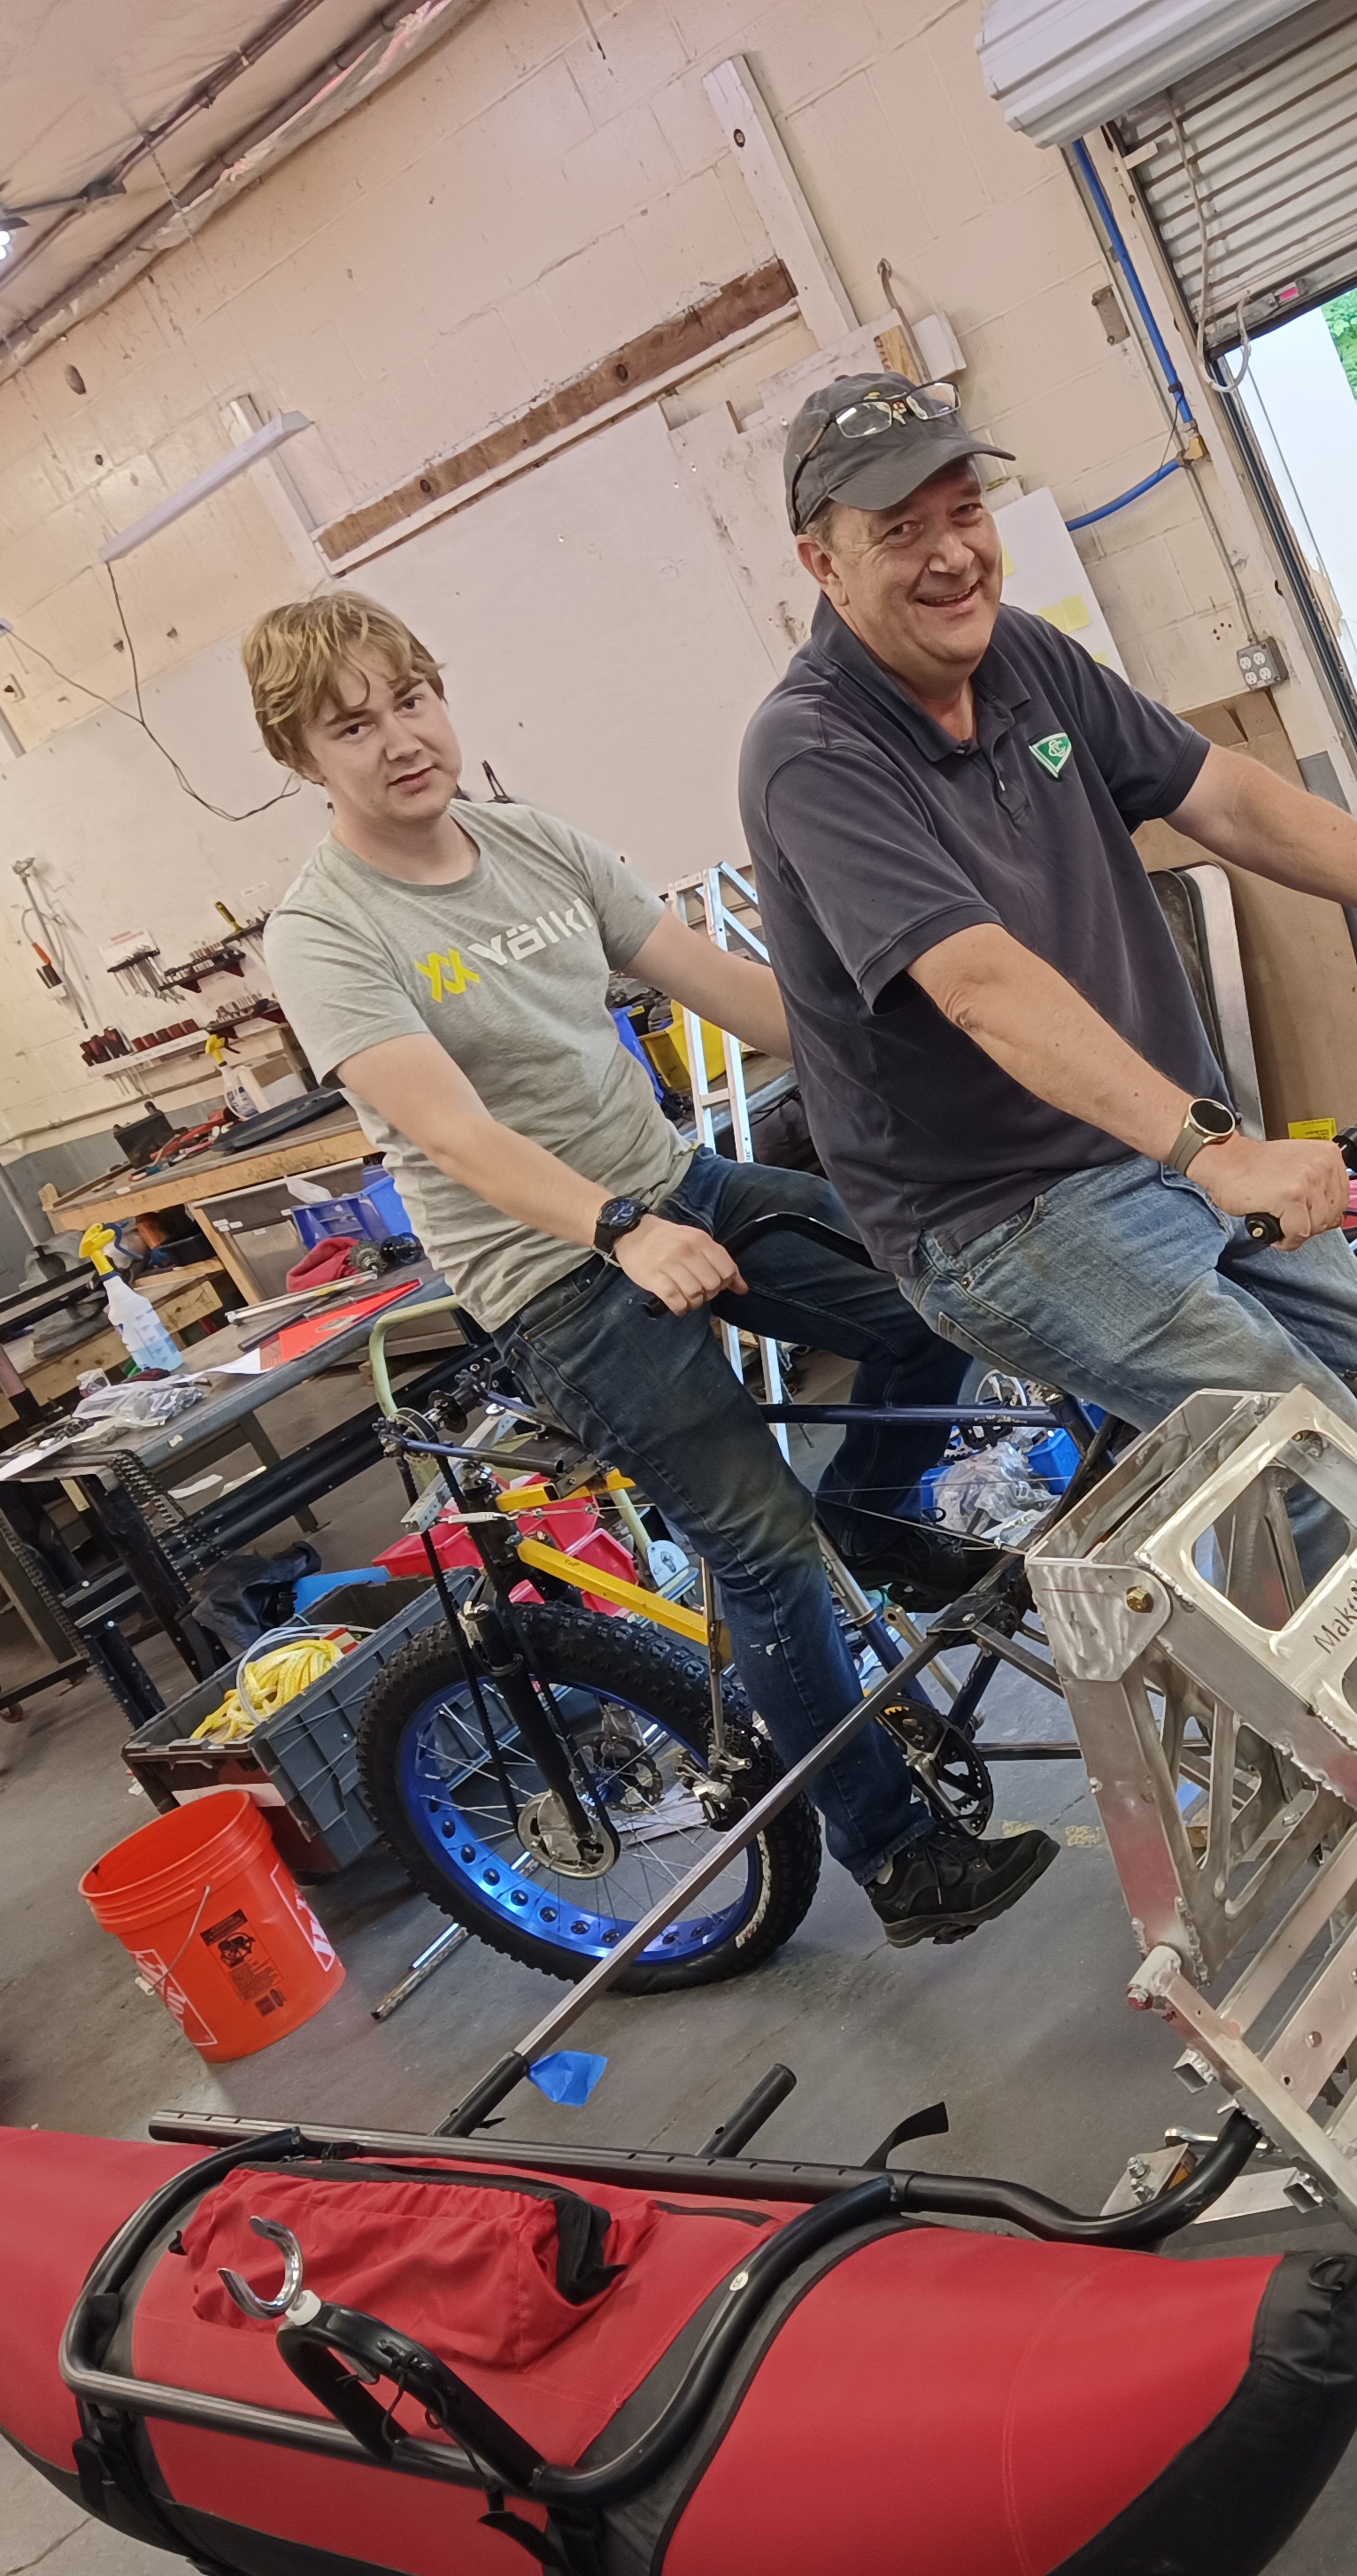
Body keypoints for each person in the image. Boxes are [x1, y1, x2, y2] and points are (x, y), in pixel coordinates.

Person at [249, 590, 1055, 1948]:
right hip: (550, 1272)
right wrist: (618, 1229)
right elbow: (450, 1132)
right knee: (760, 1544)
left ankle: (876, 1508)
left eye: (412, 698)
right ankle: (901, 1856)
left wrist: (932, 1045)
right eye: (352, 725)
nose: (401, 739)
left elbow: (722, 982)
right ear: (301, 758)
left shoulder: (529, 844)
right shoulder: (325, 932)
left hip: (677, 1182)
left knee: (943, 1282)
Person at [738, 375, 1357, 1473]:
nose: (952, 556)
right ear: (822, 563)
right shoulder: (811, 753)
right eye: (900, 531)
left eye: (965, 512)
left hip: (1158, 1144)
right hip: (1001, 1212)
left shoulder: (1024, 656)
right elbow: (978, 984)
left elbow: (1226, 796)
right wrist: (1215, 1152)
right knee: (1310, 1454)